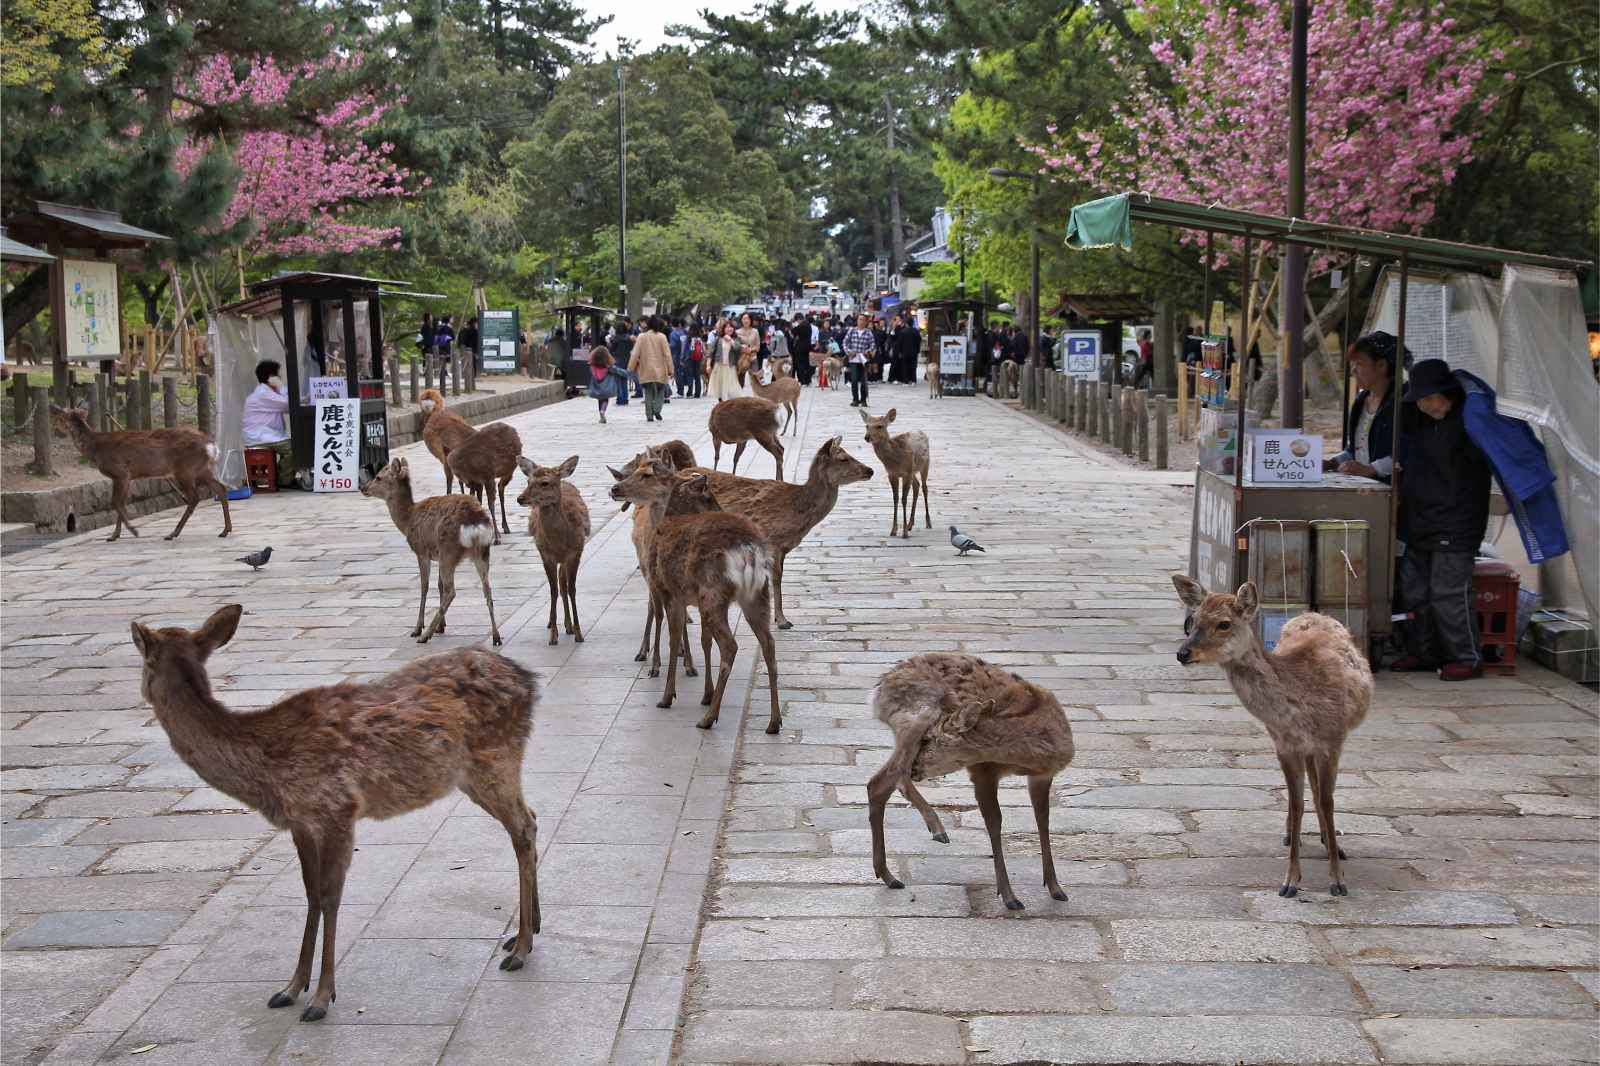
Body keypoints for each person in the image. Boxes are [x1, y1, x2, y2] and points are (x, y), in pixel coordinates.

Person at [1392, 358, 1492, 682]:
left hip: (1456, 521)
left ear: (1443, 393)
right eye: (1417, 399)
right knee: (1414, 590)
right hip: (1419, 519)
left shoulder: (1470, 422)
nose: (1421, 405)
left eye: (1426, 397)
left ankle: (1466, 657)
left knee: (1448, 591)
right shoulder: (1421, 421)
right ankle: (1423, 652)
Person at [1324, 331, 1403, 481]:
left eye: (1359, 364)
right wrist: (1332, 462)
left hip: (1394, 492)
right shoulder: (1361, 400)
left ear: (1381, 365)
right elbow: (1356, 449)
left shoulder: (1403, 401)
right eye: (1353, 364)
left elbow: (1410, 451)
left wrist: (1371, 469)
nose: (1353, 370)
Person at [242, 359, 296, 486]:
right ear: (271, 377)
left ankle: (280, 477)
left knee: (292, 445)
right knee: (295, 448)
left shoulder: (266, 393)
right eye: (278, 376)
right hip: (262, 437)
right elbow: (289, 405)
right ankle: (282, 480)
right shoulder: (263, 394)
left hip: (265, 435)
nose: (280, 378)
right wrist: (281, 387)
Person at [633, 316, 674, 422]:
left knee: (648, 391)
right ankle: (657, 409)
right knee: (661, 389)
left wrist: (631, 366)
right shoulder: (662, 337)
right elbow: (667, 355)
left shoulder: (642, 336)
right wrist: (671, 369)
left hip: (646, 368)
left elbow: (635, 353)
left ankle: (649, 415)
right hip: (660, 369)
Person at [843, 313, 876, 407]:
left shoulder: (868, 332)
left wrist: (867, 351)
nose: (861, 321)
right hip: (853, 359)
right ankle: (855, 399)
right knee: (854, 379)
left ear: (866, 322)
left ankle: (863, 400)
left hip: (864, 359)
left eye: (863, 320)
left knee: (864, 380)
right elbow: (845, 342)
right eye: (859, 319)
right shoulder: (852, 331)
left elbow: (872, 345)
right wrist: (849, 351)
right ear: (857, 321)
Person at [708, 320, 742, 402]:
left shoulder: (736, 339)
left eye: (731, 327)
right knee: (720, 389)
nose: (729, 329)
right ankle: (722, 405)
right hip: (719, 367)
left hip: (730, 367)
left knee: (732, 389)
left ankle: (728, 405)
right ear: (723, 329)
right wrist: (708, 365)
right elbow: (711, 352)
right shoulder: (718, 339)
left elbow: (737, 348)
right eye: (727, 327)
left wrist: (730, 340)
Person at [588, 345, 617, 424]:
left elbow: (591, 373)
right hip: (606, 388)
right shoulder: (608, 367)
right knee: (605, 400)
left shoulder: (592, 367)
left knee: (599, 400)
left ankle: (601, 415)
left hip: (597, 388)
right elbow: (616, 370)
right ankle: (603, 411)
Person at [893, 315, 922, 385]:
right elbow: (919, 341)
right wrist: (918, 350)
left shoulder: (903, 332)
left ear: (906, 323)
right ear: (912, 323)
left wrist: (899, 352)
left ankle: (905, 381)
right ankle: (913, 381)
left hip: (904, 352)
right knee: (913, 366)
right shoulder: (916, 331)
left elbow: (900, 343)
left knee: (905, 366)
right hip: (914, 352)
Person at [736, 312, 761, 386]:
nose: (746, 320)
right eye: (744, 318)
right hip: (741, 360)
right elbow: (735, 346)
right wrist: (742, 348)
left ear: (751, 320)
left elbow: (758, 346)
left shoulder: (755, 331)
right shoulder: (737, 332)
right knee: (740, 382)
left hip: (753, 358)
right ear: (741, 320)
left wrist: (751, 349)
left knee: (756, 381)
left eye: (748, 318)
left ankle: (756, 397)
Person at [683, 324, 705, 398]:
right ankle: (697, 393)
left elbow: (685, 348)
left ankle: (689, 393)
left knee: (690, 376)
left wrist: (682, 358)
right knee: (697, 376)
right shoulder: (700, 338)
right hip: (698, 359)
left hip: (689, 358)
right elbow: (703, 349)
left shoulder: (689, 337)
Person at [792, 314, 814, 385]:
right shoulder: (808, 325)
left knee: (800, 365)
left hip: (800, 348)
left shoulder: (800, 326)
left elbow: (794, 332)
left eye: (797, 320)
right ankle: (808, 380)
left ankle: (802, 380)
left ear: (798, 319)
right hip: (808, 346)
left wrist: (794, 325)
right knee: (807, 364)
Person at [669, 319, 689, 396]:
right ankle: (682, 390)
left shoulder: (673, 334)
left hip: (676, 355)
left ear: (672, 325)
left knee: (677, 373)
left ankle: (680, 391)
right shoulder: (683, 333)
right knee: (681, 372)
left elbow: (673, 346)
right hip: (684, 355)